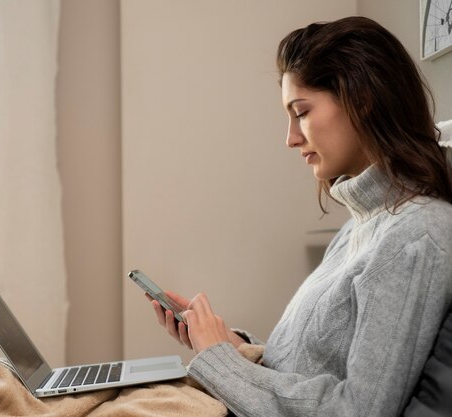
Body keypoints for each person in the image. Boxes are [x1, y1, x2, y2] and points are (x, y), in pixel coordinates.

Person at [148, 16, 452, 416]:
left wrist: (220, 361)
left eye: (301, 111)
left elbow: (358, 411)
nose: (290, 137)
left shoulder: (416, 235)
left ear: (363, 100)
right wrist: (229, 347)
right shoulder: (358, 227)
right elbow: (305, 368)